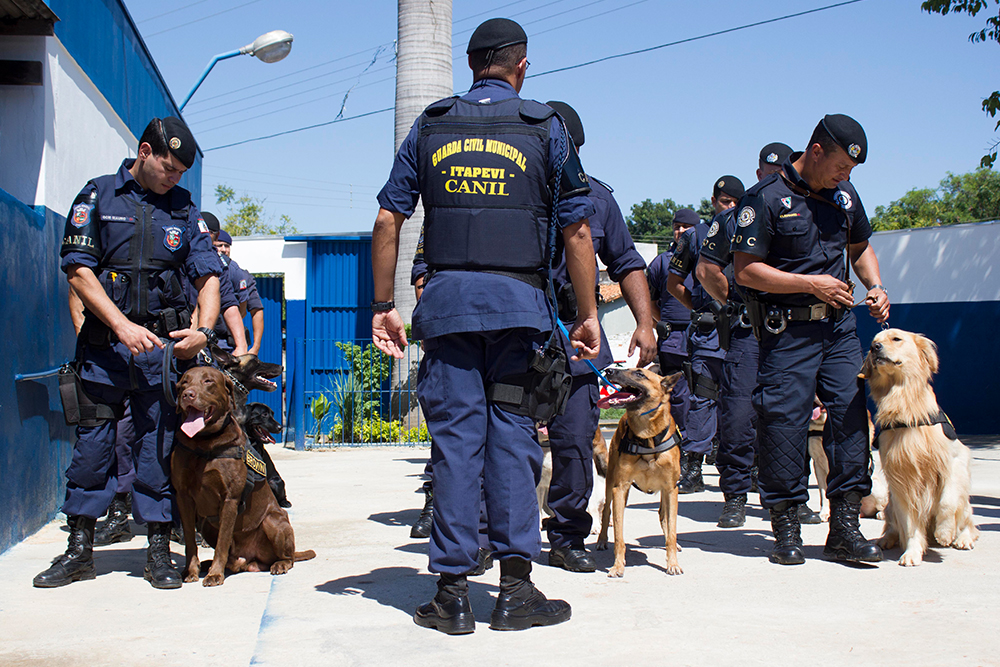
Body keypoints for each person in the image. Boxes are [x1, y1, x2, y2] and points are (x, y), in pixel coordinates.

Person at [371, 18, 600, 634]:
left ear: (472, 65)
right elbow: (578, 229)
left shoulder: (431, 124)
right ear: (521, 67)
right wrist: (586, 316)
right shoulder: (544, 126)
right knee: (514, 442)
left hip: (446, 312)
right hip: (520, 313)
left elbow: (389, 220)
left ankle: (449, 595)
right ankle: (515, 591)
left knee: (455, 444)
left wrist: (383, 306)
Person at [36, 117, 223, 589]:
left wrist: (204, 328)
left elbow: (209, 277)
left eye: (181, 171)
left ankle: (157, 551)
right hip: (104, 352)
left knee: (156, 448)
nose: (174, 177)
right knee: (93, 448)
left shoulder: (184, 209)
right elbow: (77, 271)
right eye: (168, 166)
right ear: (144, 151)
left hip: (159, 356)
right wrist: (119, 326)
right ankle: (79, 549)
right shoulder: (98, 196)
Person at [732, 114, 890, 565]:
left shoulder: (844, 196)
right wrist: (811, 284)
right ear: (816, 150)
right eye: (841, 165)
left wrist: (875, 286)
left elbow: (860, 250)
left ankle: (844, 527)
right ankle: (785, 527)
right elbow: (746, 269)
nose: (846, 176)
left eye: (852, 171)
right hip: (789, 329)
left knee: (850, 416)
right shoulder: (763, 199)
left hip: (839, 328)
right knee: (784, 421)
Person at [542, 100, 656, 573]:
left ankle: (568, 536)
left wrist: (646, 323)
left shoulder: (598, 198)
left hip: (577, 333)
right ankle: (490, 533)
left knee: (573, 437)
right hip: (522, 328)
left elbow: (627, 261)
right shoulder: (513, 193)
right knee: (505, 438)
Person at [697, 142, 825, 528]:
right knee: (738, 413)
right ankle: (735, 495)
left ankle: (792, 495)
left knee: (793, 414)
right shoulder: (734, 217)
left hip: (795, 328)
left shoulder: (811, 209)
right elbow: (706, 270)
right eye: (765, 173)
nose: (772, 179)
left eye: (779, 172)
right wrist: (737, 303)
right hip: (749, 329)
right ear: (757, 175)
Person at [667, 191, 742, 495]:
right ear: (713, 202)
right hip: (709, 334)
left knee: (747, 402)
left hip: (745, 331)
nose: (730, 207)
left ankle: (749, 467)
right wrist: (700, 310)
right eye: (725, 201)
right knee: (702, 399)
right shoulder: (694, 236)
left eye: (736, 202)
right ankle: (693, 468)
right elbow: (674, 284)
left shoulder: (755, 229)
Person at [645, 210, 697, 449]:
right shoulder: (661, 262)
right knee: (677, 396)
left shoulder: (708, 259)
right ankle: (681, 443)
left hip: (707, 334)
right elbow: (651, 303)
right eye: (677, 226)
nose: (680, 231)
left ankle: (710, 444)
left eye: (686, 227)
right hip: (673, 337)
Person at [196, 212, 248, 355]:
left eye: (209, 233)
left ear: (215, 236)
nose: (202, 237)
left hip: (218, 339)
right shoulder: (178, 258)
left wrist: (241, 345)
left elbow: (231, 304)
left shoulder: (223, 266)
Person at [213, 228, 265, 356]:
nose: (224, 249)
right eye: (219, 245)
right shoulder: (204, 273)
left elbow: (256, 310)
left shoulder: (242, 276)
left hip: (231, 343)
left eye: (227, 246)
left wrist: (255, 347)